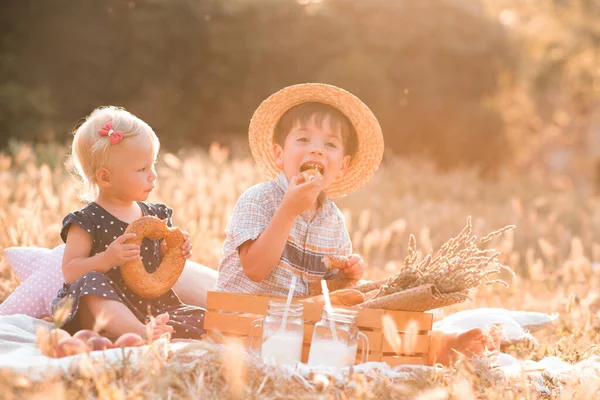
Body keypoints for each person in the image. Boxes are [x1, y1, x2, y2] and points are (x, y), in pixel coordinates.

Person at [216, 83, 384, 296]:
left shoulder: (335, 224)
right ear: (279, 154)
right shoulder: (258, 199)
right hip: (239, 320)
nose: (316, 149)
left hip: (296, 325)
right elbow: (255, 269)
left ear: (342, 165)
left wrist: (347, 275)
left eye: (330, 145)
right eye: (303, 139)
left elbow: (325, 294)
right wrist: (289, 210)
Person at [52, 106, 204, 341]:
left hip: (146, 306)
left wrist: (171, 252)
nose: (153, 175)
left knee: (203, 318)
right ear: (106, 177)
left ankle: (148, 329)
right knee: (92, 281)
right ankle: (141, 333)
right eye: (142, 169)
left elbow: (159, 266)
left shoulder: (155, 215)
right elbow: (71, 271)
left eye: (152, 164)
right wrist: (106, 259)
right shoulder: (87, 221)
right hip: (98, 309)